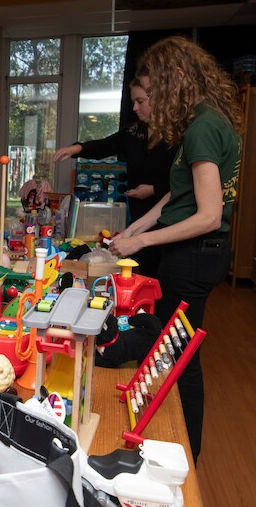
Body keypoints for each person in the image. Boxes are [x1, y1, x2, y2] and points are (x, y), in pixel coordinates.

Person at [107, 36, 242, 461]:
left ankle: (184, 453)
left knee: (178, 358)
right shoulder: (203, 122)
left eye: (145, 97)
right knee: (172, 350)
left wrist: (142, 239)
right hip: (200, 254)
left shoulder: (202, 128)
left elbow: (205, 214)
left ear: (172, 82)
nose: (138, 108)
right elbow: (175, 196)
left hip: (195, 253)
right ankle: (172, 444)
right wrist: (134, 230)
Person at [53, 78, 177, 274]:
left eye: (140, 101)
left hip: (171, 223)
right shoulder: (134, 133)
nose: (135, 108)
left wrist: (153, 190)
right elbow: (105, 145)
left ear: (159, 99)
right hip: (139, 218)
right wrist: (77, 148)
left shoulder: (177, 136)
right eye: (133, 102)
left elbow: (184, 185)